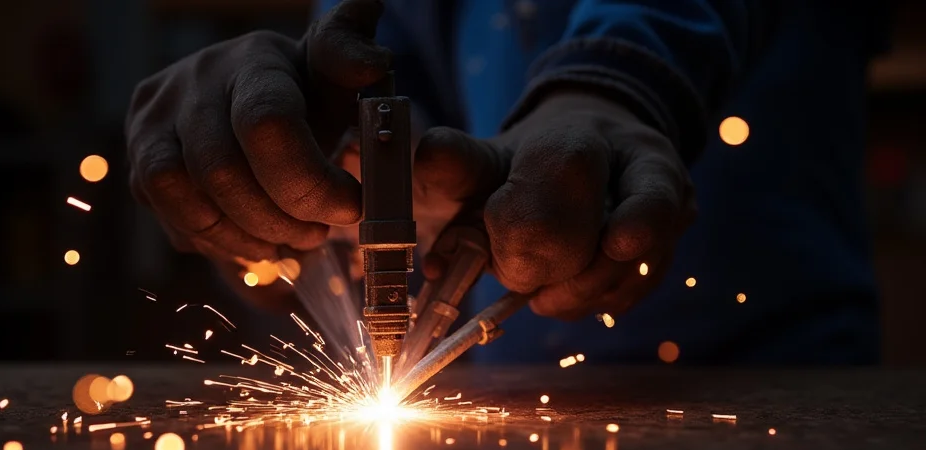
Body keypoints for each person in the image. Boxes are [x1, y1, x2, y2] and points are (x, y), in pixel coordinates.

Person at [125, 0, 888, 365]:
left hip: (777, 389)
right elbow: (396, 112)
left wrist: (613, 86)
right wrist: (269, 157)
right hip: (515, 394)